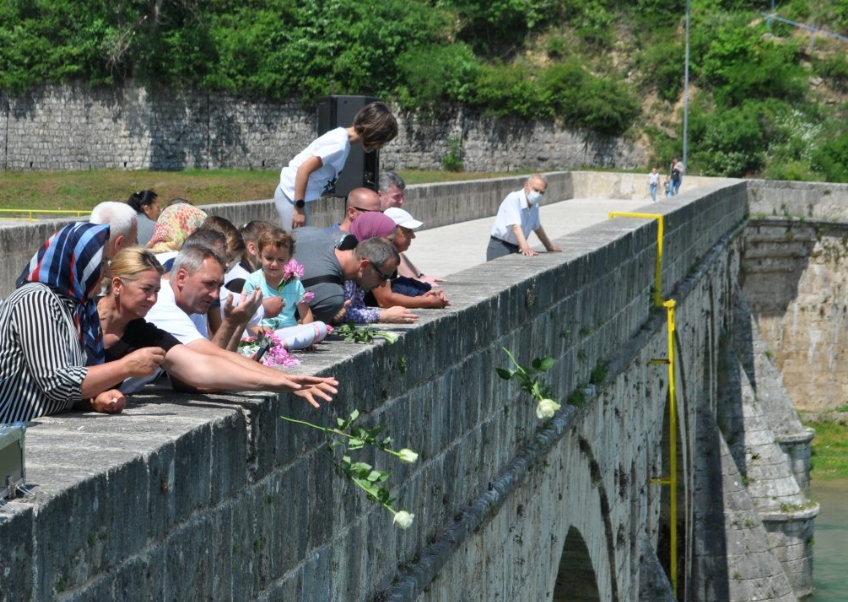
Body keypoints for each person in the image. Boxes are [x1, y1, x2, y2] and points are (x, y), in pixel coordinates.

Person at [98, 247, 337, 407]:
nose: (152, 299)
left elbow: (203, 366)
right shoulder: (82, 319)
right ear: (117, 285)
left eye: (156, 291)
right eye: (146, 290)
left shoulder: (145, 331)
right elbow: (65, 380)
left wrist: (283, 381)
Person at [0, 223, 165, 422]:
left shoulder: (78, 308)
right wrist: (126, 366)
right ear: (79, 261)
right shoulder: (36, 299)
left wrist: (92, 401)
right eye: (102, 262)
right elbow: (56, 381)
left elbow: (64, 385)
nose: (106, 272)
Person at [274, 101, 398, 231]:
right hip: (291, 195)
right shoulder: (338, 144)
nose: (379, 146)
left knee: (302, 244)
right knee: (298, 246)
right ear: (373, 132)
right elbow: (303, 170)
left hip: (296, 197)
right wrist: (298, 207)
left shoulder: (343, 140)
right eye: (382, 140)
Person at [242, 228, 329, 348]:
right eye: (269, 258)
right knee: (245, 333)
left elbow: (305, 313)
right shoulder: (253, 280)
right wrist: (258, 329)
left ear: (289, 258)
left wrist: (307, 334)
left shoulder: (294, 282)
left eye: (281, 260)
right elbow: (245, 317)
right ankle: (278, 345)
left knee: (320, 327)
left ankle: (282, 345)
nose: (274, 264)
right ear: (259, 255)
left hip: (286, 333)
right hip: (261, 333)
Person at [293, 227, 400, 324]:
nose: (382, 284)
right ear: (364, 265)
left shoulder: (312, 233)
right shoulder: (332, 297)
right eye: (383, 277)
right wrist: (332, 319)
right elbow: (301, 327)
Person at [342, 213, 418, 325]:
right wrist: (383, 315)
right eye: (388, 241)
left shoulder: (364, 270)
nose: (391, 246)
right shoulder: (350, 264)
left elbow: (358, 307)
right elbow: (341, 313)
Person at [368, 208, 449, 310]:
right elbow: (385, 300)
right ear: (391, 230)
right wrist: (425, 302)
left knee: (419, 287)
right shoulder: (379, 254)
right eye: (407, 231)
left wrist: (427, 297)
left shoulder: (390, 254)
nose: (413, 236)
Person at [486, 173, 562, 261]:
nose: (538, 194)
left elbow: (537, 228)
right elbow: (515, 227)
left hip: (515, 248)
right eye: (536, 190)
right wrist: (526, 248)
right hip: (500, 246)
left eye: (542, 192)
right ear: (526, 186)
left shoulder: (535, 205)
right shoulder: (514, 199)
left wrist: (549, 246)